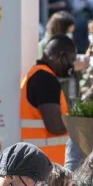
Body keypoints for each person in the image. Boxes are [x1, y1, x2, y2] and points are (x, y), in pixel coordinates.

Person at [20, 35, 74, 166]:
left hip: (37, 161)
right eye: (71, 60)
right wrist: (80, 125)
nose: (71, 66)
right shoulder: (45, 79)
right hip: (46, 163)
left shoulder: (35, 74)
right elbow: (55, 126)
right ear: (61, 56)